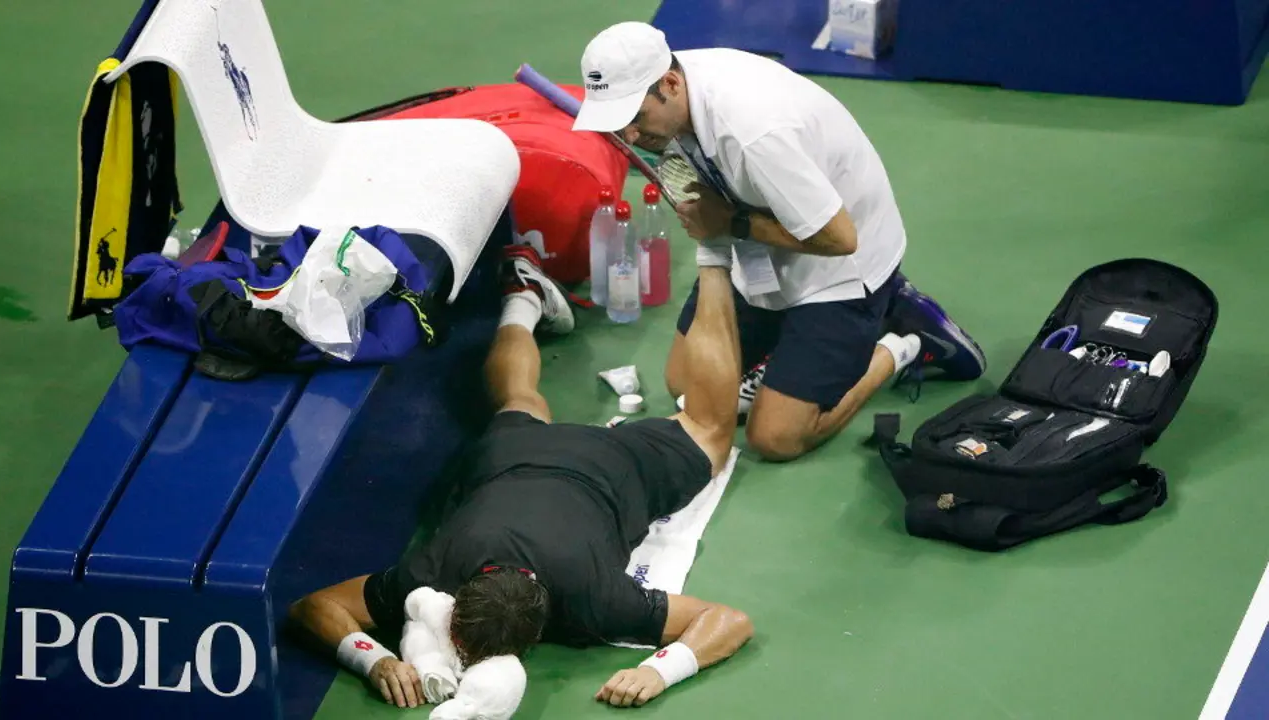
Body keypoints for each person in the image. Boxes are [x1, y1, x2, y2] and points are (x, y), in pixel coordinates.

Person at [289, 242, 754, 710]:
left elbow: (316, 606)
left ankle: (538, 294)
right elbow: (724, 619)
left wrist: (660, 670)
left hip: (585, 458)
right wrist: (373, 660)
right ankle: (693, 262)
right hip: (542, 458)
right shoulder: (441, 574)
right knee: (696, 425)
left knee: (533, 400)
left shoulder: (593, 600)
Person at [571, 22, 988, 462]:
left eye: (635, 118)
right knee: (687, 387)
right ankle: (789, 357)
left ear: (670, 84)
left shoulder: (755, 132)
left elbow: (840, 238)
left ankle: (901, 340)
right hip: (759, 242)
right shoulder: (672, 87)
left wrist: (728, 224)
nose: (630, 137)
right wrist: (721, 231)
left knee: (774, 438)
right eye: (616, 124)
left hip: (842, 266)